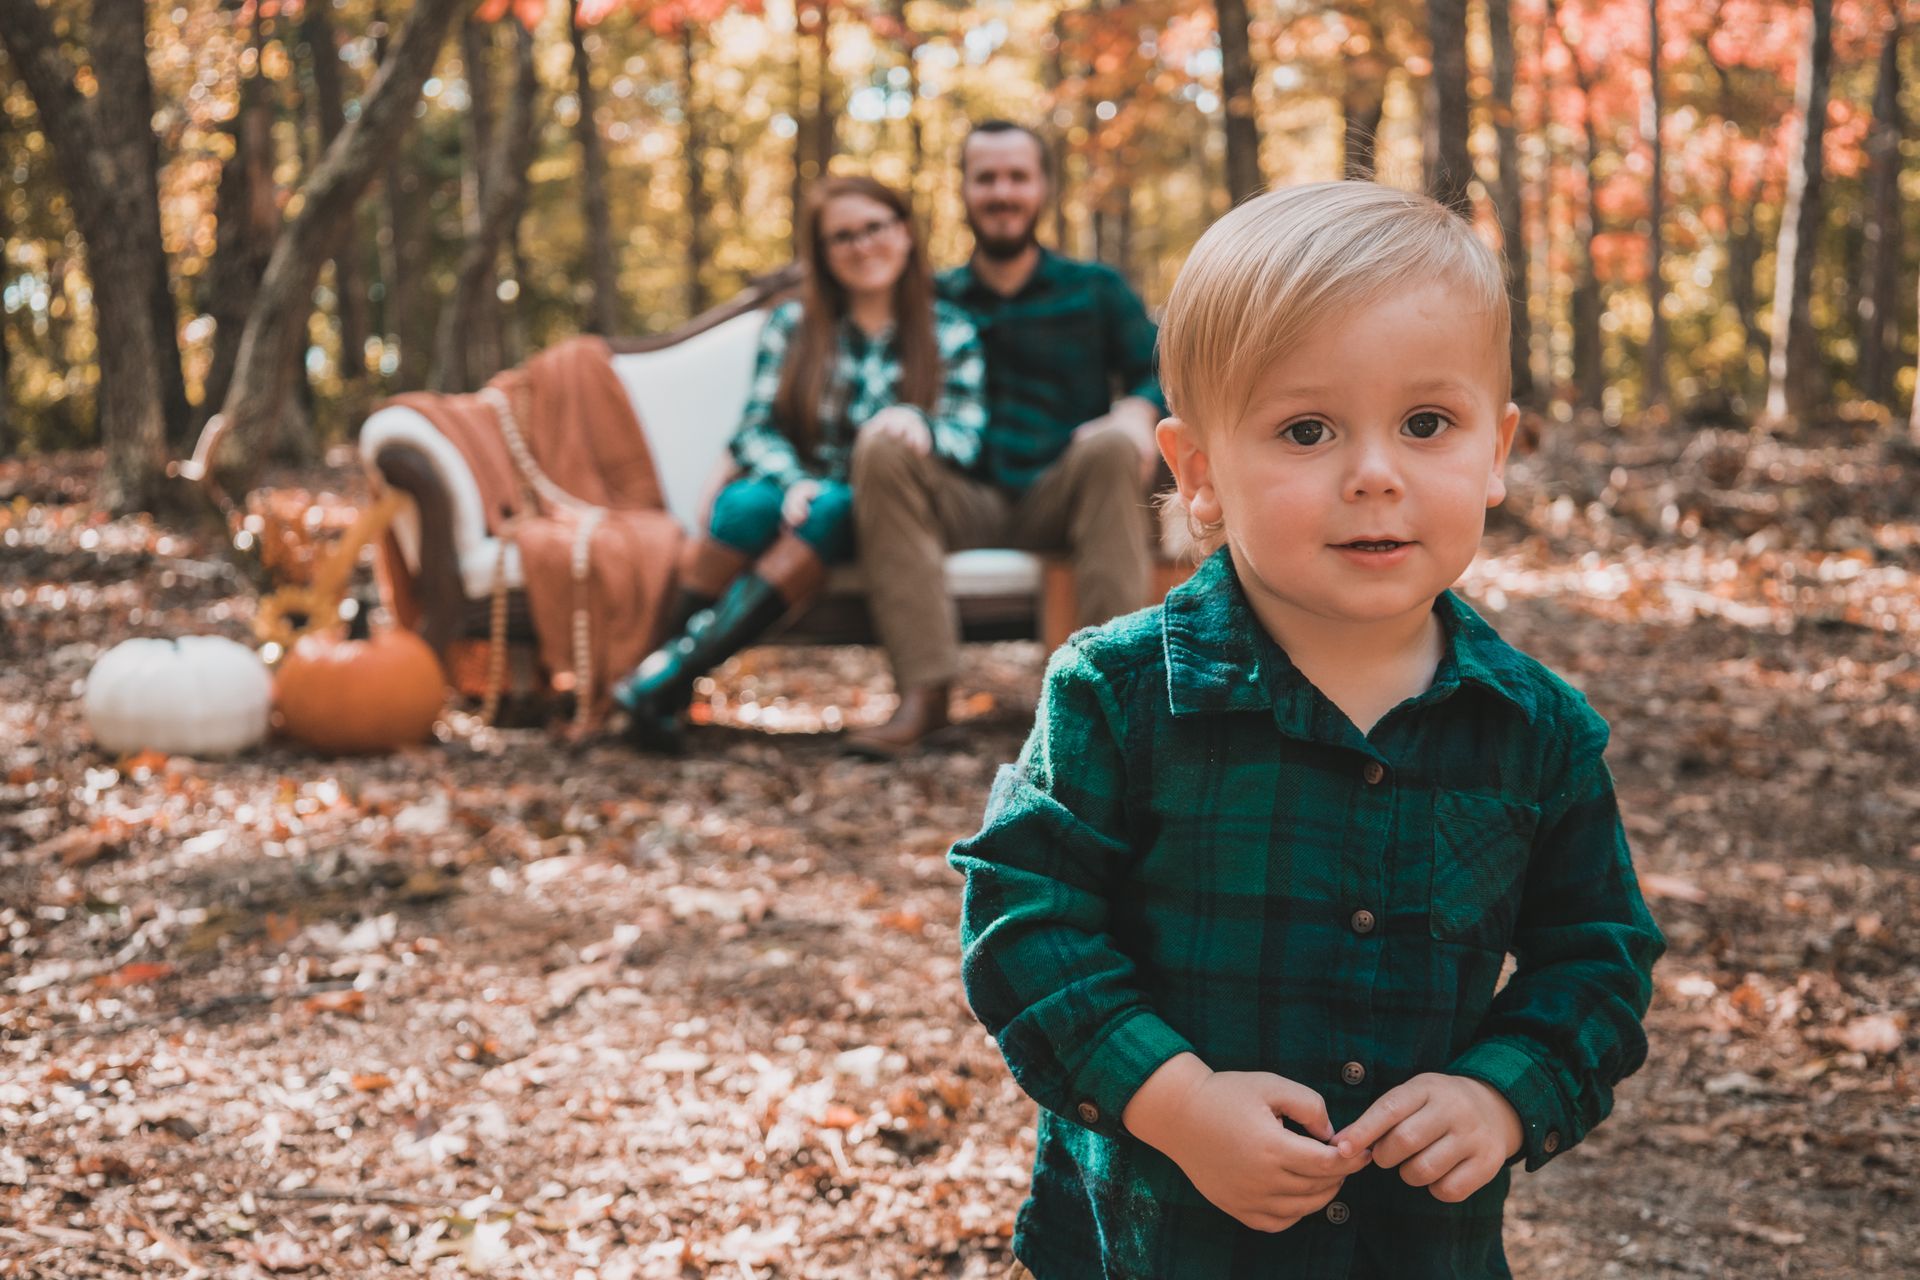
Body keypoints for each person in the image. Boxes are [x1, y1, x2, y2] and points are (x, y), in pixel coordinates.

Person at [948, 182, 1666, 1278]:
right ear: (1200, 475)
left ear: (1496, 449)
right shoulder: (1119, 692)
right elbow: (1024, 921)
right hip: (1161, 1239)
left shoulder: (1537, 731)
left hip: (1415, 1244)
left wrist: (1504, 1093)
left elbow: (1597, 959)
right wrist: (1176, 1099)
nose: (1374, 471)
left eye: (1427, 423)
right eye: (1306, 428)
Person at [613, 175, 986, 750]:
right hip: (798, 490)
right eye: (842, 237)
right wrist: (791, 481)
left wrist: (924, 428)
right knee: (741, 507)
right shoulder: (792, 325)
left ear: (905, 233)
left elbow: (968, 437)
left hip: (883, 508)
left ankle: (660, 679)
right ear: (824, 252)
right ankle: (662, 685)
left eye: (875, 228)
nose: (862, 246)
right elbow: (754, 429)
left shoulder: (950, 329)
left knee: (834, 506)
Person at [846, 120, 1165, 757]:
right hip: (963, 493)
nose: (1002, 192)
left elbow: (1160, 373)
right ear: (964, 189)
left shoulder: (1094, 289)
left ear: (1042, 187)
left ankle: (1109, 703)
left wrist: (1136, 414)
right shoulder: (932, 298)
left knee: (1108, 447)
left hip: (1066, 491)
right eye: (986, 177)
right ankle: (925, 696)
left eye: (1017, 176)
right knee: (880, 446)